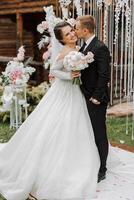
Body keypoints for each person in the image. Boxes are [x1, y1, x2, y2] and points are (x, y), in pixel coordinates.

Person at [0, 22, 100, 200]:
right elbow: (54, 71)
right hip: (63, 91)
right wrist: (70, 75)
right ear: (61, 39)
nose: (71, 35)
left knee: (76, 124)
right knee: (58, 123)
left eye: (71, 31)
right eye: (67, 34)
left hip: (75, 92)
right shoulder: (64, 52)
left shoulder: (79, 48)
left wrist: (81, 66)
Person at [75, 15, 111, 182]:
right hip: (85, 94)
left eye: (76, 27)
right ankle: (91, 163)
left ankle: (102, 169)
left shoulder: (100, 47)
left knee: (99, 133)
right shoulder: (83, 47)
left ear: (85, 30)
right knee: (88, 132)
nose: (75, 30)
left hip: (96, 98)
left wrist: (97, 96)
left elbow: (104, 74)